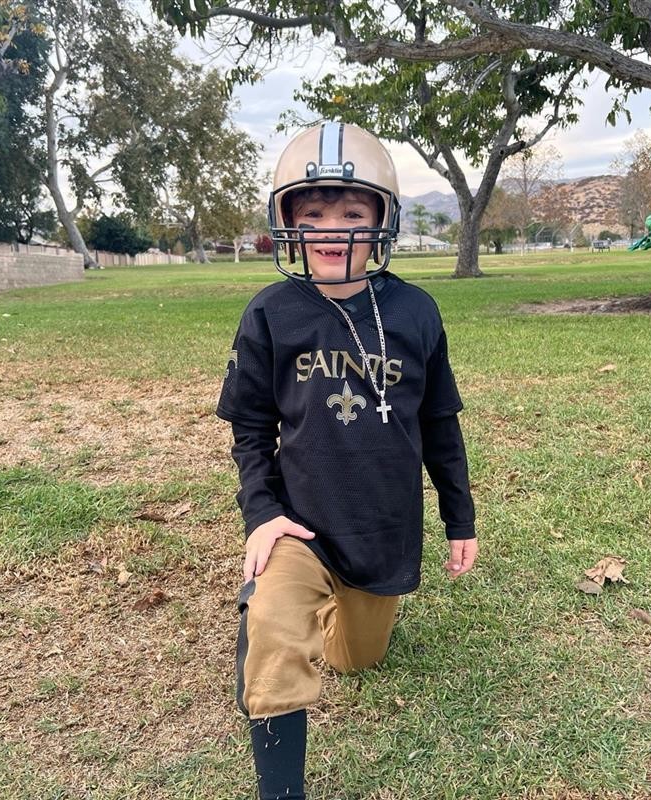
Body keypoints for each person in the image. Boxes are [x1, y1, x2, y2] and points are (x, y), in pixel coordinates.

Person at [216, 122, 477, 800]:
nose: (332, 229)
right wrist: (262, 515)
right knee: (272, 627)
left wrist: (459, 518)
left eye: (352, 212)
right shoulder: (271, 312)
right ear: (287, 222)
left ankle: (342, 614)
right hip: (300, 526)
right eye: (314, 213)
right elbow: (250, 428)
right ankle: (282, 791)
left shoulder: (417, 312)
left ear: (383, 219)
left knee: (355, 658)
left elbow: (439, 424)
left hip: (382, 528)